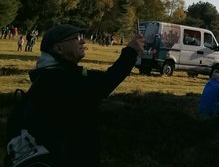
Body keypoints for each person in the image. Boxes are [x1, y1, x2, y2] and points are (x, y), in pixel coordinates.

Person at [15, 24, 143, 166]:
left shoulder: (57, 74)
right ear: (59, 48)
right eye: (76, 38)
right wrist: (131, 52)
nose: (82, 41)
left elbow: (102, 80)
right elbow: (104, 83)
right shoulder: (56, 80)